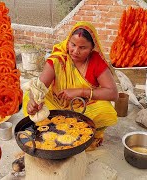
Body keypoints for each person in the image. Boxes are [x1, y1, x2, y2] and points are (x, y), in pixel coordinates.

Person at [23, 21, 118, 150]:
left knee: (105, 110)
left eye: (83, 47)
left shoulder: (96, 61)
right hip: (56, 104)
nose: (75, 51)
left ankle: (74, 132)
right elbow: (39, 87)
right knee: (28, 96)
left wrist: (80, 92)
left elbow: (113, 93)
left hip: (83, 107)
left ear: (91, 48)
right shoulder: (58, 60)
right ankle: (70, 131)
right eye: (72, 44)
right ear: (68, 41)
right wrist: (34, 103)